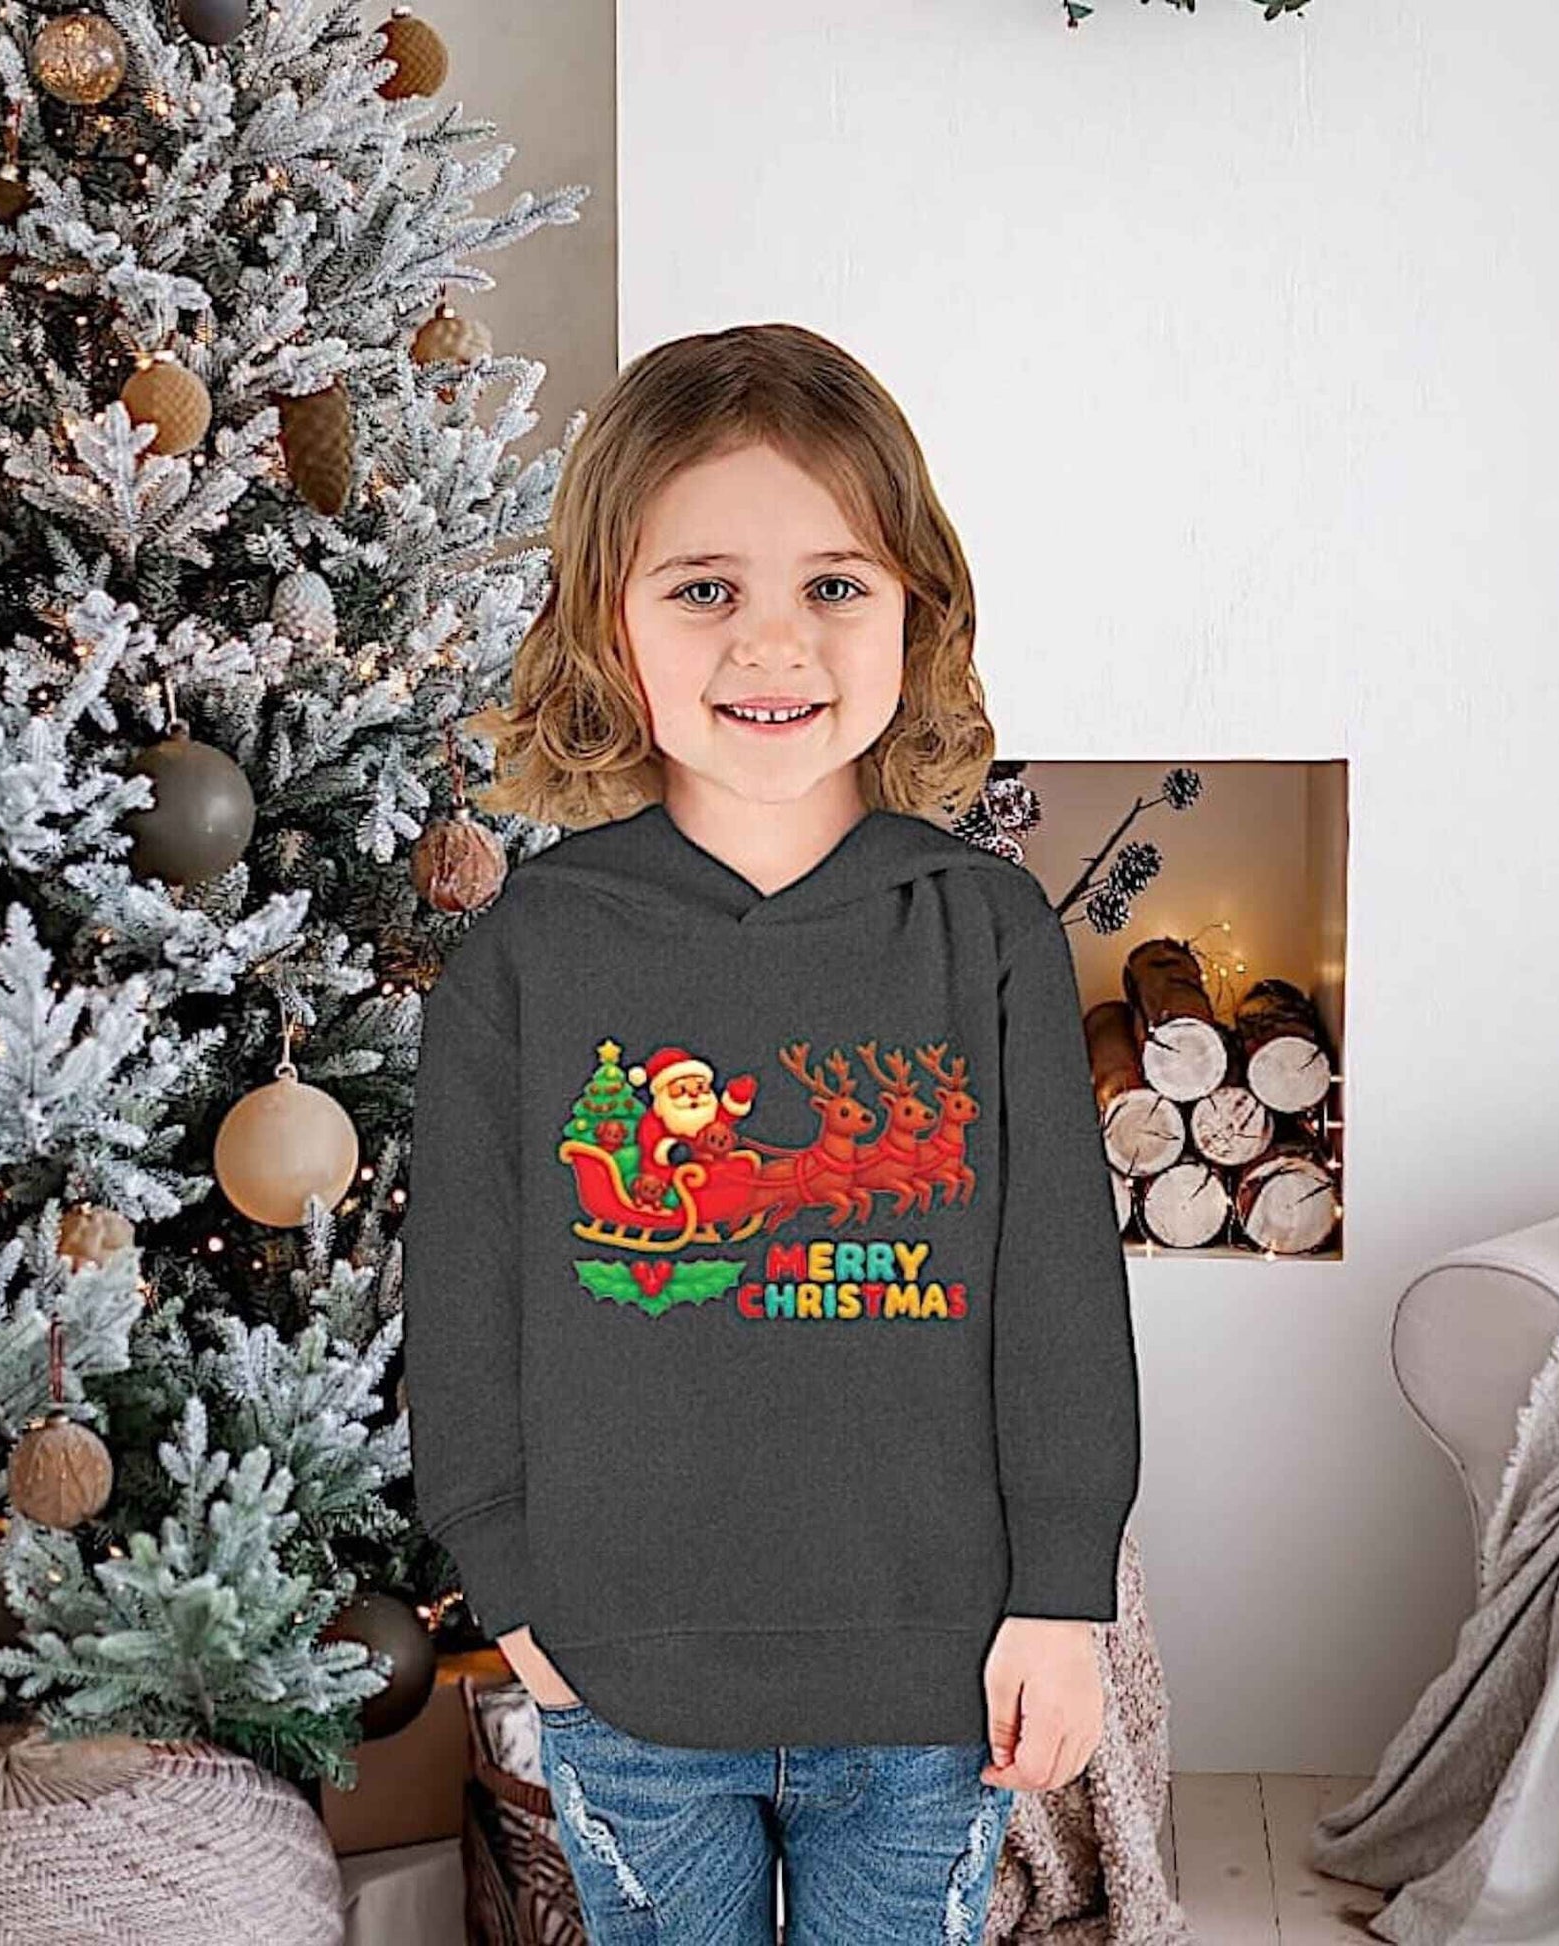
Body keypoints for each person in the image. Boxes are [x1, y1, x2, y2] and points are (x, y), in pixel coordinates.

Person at [402, 321, 1142, 1944]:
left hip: (930, 1676)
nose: (771, 644)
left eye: (832, 583)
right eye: (702, 587)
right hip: (624, 1674)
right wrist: (511, 1590)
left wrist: (1060, 1595)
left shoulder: (990, 932)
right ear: (610, 618)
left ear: (911, 610)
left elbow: (1061, 1298)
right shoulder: (532, 949)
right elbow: (461, 1294)